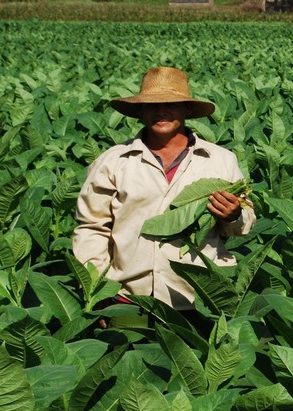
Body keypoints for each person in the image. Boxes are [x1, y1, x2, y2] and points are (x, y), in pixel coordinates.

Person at [73, 66, 255, 317]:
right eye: (151, 105)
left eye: (170, 103)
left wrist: (234, 215)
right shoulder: (114, 161)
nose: (161, 111)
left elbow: (242, 227)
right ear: (140, 111)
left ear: (187, 109)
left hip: (200, 298)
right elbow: (92, 227)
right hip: (127, 298)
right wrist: (98, 290)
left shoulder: (220, 160)